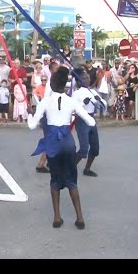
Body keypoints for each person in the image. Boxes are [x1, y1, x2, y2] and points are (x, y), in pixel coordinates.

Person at [27, 66, 95, 228]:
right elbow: (91, 122)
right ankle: (79, 217)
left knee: (55, 180)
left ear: (51, 84)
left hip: (53, 144)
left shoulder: (45, 102)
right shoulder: (71, 101)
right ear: (64, 85)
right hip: (68, 143)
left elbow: (31, 125)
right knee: (72, 180)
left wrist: (30, 114)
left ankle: (57, 217)